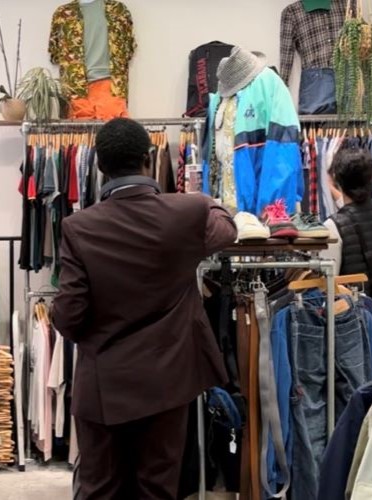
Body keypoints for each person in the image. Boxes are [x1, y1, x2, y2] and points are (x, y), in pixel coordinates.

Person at [53, 118, 237, 499]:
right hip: (168, 381)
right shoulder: (188, 212)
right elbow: (226, 228)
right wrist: (208, 202)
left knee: (101, 488)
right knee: (158, 488)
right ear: (148, 158)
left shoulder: (78, 227)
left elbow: (70, 316)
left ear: (100, 167)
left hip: (104, 384)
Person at [324, 148, 372, 332]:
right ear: (371, 178)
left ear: (339, 181)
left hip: (346, 317)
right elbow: (358, 215)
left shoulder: (333, 226)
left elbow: (329, 285)